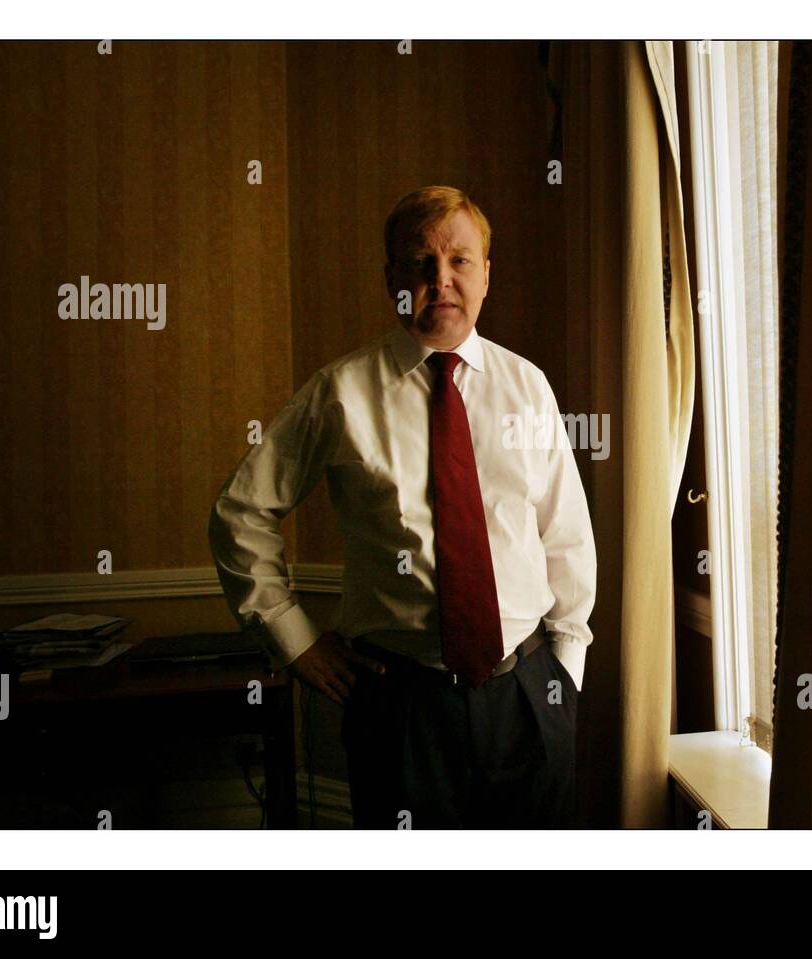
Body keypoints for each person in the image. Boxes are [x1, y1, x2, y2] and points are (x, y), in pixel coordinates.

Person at [208, 185, 596, 827]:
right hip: (401, 704)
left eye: (459, 261)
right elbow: (240, 512)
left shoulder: (527, 385)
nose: (440, 280)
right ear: (391, 278)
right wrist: (294, 639)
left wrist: (566, 671)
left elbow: (566, 534)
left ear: (486, 274)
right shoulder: (340, 393)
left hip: (527, 693)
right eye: (419, 264)